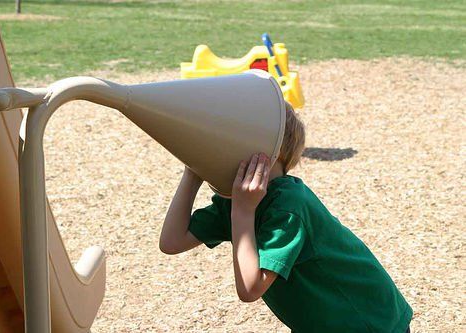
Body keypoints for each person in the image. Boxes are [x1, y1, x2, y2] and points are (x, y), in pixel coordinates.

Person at [159, 103, 413, 332]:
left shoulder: (288, 207)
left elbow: (250, 288)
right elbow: (171, 242)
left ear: (269, 150)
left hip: (366, 322)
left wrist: (243, 212)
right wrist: (192, 173)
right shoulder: (235, 201)